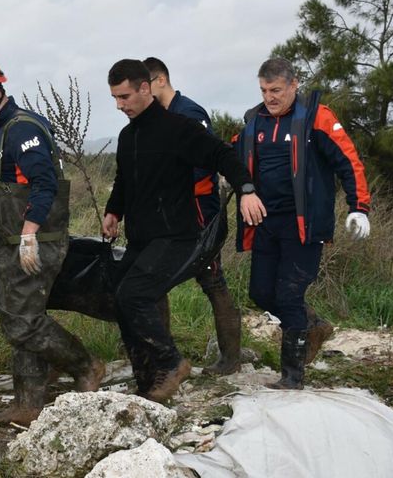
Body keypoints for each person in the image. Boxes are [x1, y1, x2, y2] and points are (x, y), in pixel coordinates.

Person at [102, 59, 265, 402]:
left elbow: (222, 155)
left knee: (134, 294)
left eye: (124, 96)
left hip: (176, 235)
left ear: (145, 88)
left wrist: (247, 189)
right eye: (115, 98)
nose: (119, 105)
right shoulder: (128, 135)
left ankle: (172, 363)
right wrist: (113, 211)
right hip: (141, 236)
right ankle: (148, 382)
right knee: (120, 298)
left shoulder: (177, 127)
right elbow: (123, 179)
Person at [0, 57, 105, 426]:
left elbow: (45, 182)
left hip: (36, 239)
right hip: (9, 239)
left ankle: (85, 365)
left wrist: (29, 232)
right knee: (20, 313)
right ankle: (28, 402)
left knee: (20, 321)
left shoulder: (23, 128)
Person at [233, 58, 371, 389]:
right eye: (264, 91)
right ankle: (313, 326)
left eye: (276, 90)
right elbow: (232, 156)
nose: (270, 97)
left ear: (294, 84)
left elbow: (349, 161)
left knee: (289, 295)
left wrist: (359, 207)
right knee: (260, 293)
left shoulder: (316, 118)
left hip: (304, 225)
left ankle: (291, 377)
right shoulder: (254, 122)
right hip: (265, 223)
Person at [144, 57, 242, 375]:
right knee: (154, 280)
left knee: (213, 280)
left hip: (199, 212)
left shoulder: (189, 113)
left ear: (160, 81)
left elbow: (204, 162)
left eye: (145, 86)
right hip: (169, 215)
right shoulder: (157, 117)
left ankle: (230, 359)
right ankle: (165, 360)